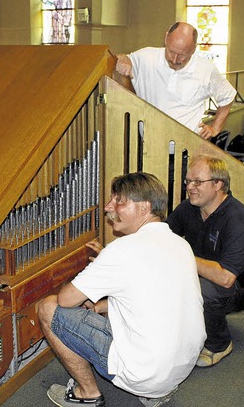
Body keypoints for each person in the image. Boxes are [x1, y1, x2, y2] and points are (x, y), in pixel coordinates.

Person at [38, 172, 205, 407]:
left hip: (144, 374)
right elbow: (151, 295)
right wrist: (99, 304)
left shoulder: (122, 249)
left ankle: (87, 394)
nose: (108, 206)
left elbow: (65, 301)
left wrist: (92, 280)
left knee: (47, 307)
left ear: (144, 207)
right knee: (103, 311)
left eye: (119, 200)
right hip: (180, 368)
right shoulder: (180, 243)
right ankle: (156, 393)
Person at [166, 155, 244, 367]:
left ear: (218, 184)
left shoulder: (237, 220)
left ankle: (219, 343)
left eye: (198, 182)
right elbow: (162, 236)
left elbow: (226, 278)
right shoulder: (189, 208)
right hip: (204, 274)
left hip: (239, 288)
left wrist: (182, 255)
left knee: (202, 288)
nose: (190, 187)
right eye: (188, 181)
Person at [115, 22, 237, 140]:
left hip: (186, 147)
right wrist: (123, 59)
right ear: (166, 37)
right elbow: (120, 58)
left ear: (194, 49)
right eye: (171, 51)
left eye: (182, 55)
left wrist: (215, 128)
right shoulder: (146, 57)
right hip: (148, 143)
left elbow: (228, 96)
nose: (174, 59)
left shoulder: (205, 69)